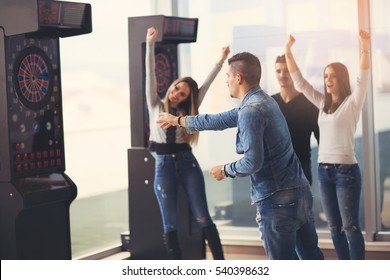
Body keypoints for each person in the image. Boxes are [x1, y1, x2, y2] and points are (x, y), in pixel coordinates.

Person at [157, 51, 324, 260]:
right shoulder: (263, 100)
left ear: (238, 78)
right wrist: (179, 121)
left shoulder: (250, 111)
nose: (226, 81)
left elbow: (253, 161)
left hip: (277, 202)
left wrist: (224, 170)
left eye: (228, 76)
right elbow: (218, 120)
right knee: (312, 259)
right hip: (299, 193)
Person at [284, 30, 371, 260]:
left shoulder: (353, 102)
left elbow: (363, 76)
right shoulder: (322, 104)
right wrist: (288, 52)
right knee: (334, 228)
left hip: (346, 172)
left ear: (341, 78)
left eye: (332, 76)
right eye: (325, 76)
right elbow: (300, 82)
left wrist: (364, 45)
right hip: (324, 171)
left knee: (350, 227)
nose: (328, 80)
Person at [145, 26, 230, 260]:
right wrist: (150, 44)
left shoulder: (187, 113)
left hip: (187, 163)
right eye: (176, 88)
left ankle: (221, 265)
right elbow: (149, 76)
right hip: (163, 167)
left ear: (186, 99)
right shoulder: (155, 104)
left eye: (181, 94)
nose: (176, 93)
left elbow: (205, 85)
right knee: (169, 224)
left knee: (203, 216)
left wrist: (220, 61)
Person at [272, 54, 319, 185]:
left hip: (301, 169)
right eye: (278, 71)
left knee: (302, 206)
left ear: (293, 72)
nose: (282, 75)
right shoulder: (270, 103)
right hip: (275, 170)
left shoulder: (308, 103)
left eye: (287, 70)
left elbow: (321, 138)